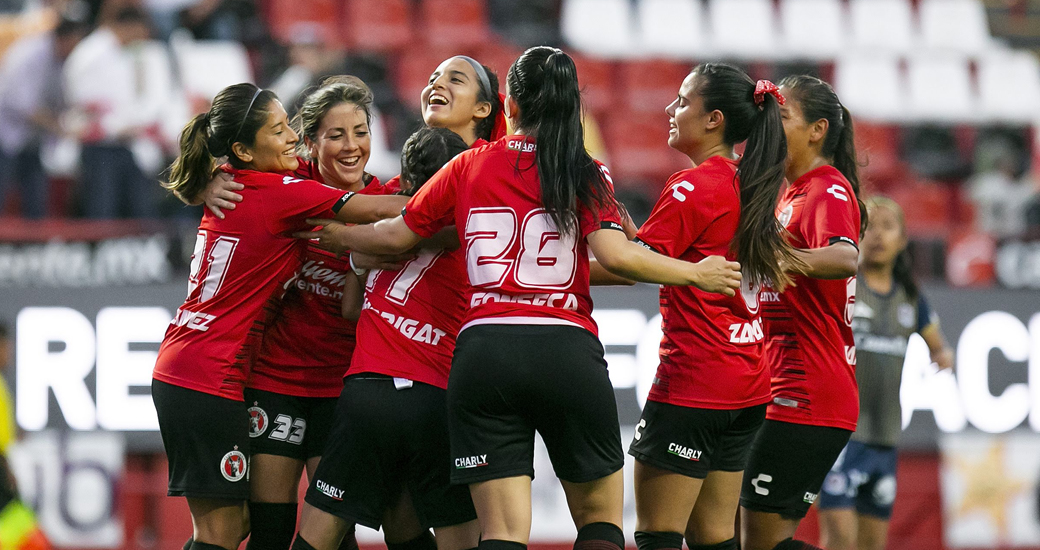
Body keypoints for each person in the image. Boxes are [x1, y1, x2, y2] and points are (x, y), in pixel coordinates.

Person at [298, 46, 742, 550]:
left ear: (507, 105)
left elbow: (397, 236)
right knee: (599, 521)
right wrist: (695, 273)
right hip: (566, 347)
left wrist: (342, 237)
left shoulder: (467, 166)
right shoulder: (584, 170)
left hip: (481, 353)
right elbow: (621, 258)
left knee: (502, 532)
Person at [151, 82, 407, 550]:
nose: (350, 146)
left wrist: (201, 183)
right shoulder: (289, 187)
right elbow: (390, 219)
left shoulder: (259, 181)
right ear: (313, 142)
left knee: (283, 528)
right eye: (333, 135)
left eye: (361, 132)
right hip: (239, 377)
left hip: (305, 381)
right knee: (236, 529)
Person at [627, 65, 800, 550]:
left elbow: (633, 266)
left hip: (695, 383)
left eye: (682, 101)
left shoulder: (694, 185)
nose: (670, 108)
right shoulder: (757, 183)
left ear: (714, 119)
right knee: (714, 537)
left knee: (658, 535)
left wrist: (547, 274)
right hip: (747, 382)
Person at [291, 126, 478, 550]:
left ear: (407, 181)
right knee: (452, 535)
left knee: (321, 534)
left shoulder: (383, 221)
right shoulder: (482, 234)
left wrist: (354, 252)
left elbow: (351, 310)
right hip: (435, 396)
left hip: (368, 391)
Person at [738, 74, 866, 550]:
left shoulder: (826, 189)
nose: (771, 126)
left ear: (817, 130)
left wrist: (775, 259)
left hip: (808, 394)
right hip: (789, 388)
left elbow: (842, 256)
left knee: (761, 542)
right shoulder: (790, 194)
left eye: (783, 116)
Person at [816, 196, 953, 550]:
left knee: (872, 545)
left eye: (887, 227)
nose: (877, 236)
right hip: (840, 436)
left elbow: (939, 345)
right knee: (839, 541)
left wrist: (943, 355)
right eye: (868, 227)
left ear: (903, 240)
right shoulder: (842, 285)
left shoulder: (910, 296)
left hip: (885, 436)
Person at [0, 15, 87, 218]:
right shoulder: (28, 55)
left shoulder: (62, 61)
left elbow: (62, 100)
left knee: (36, 199)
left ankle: (34, 247)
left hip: (31, 139)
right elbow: (19, 103)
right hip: (6, 135)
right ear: (63, 39)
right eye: (74, 44)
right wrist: (57, 126)